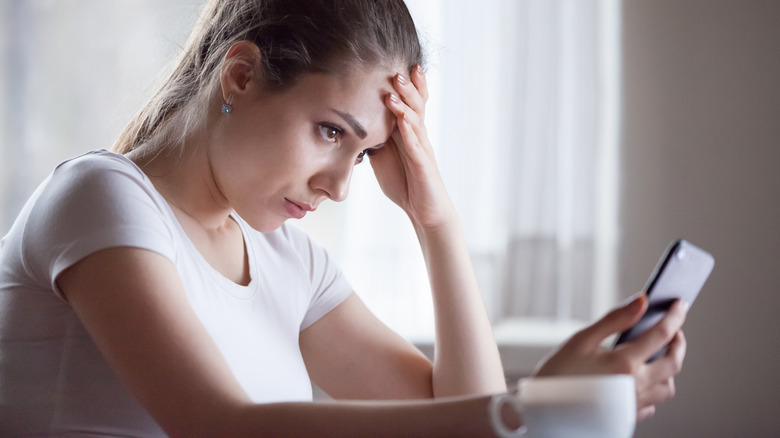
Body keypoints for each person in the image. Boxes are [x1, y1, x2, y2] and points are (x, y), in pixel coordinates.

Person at [0, 0, 688, 435]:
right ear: (240, 75)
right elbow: (218, 426)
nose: (338, 187)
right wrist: (533, 409)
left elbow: (454, 410)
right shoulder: (103, 195)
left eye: (363, 156)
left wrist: (435, 219)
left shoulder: (285, 260)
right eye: (331, 131)